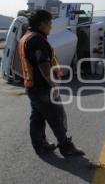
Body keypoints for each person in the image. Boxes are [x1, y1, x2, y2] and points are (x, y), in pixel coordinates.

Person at [18, 10, 85, 157]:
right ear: (42, 24)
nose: (51, 27)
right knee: (56, 118)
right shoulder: (37, 40)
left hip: (32, 86)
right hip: (42, 88)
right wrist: (53, 85)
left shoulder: (26, 37)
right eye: (50, 23)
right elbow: (43, 65)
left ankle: (40, 145)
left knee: (37, 117)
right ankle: (66, 147)